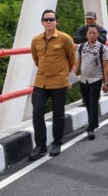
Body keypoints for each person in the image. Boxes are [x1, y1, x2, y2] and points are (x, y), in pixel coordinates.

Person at [28, 9, 76, 160]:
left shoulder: (65, 39)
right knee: (37, 112)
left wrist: (65, 76)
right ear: (42, 22)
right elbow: (36, 59)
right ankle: (40, 146)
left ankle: (56, 142)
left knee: (58, 113)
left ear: (57, 21)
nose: (49, 22)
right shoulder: (36, 40)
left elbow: (72, 59)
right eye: (46, 20)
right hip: (41, 81)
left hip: (59, 81)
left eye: (51, 19)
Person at [70, 24, 108, 140]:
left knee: (93, 103)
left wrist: (106, 83)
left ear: (97, 35)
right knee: (87, 103)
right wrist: (70, 80)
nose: (92, 35)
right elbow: (76, 63)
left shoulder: (102, 48)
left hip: (96, 79)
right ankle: (94, 122)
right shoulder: (81, 47)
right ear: (86, 35)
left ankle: (91, 128)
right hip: (83, 80)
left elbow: (106, 66)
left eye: (94, 33)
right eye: (90, 33)